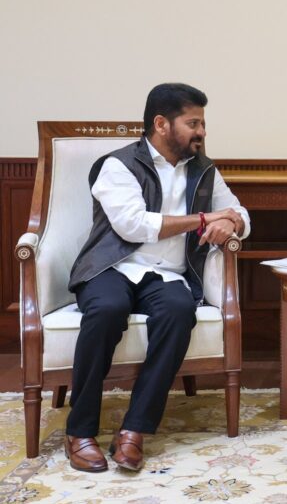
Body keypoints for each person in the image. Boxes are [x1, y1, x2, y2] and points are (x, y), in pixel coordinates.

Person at [63, 83, 250, 473]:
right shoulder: (117, 165)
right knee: (107, 310)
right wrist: (204, 219)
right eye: (193, 123)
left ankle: (134, 430)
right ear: (162, 124)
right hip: (110, 267)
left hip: (166, 275)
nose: (201, 132)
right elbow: (134, 225)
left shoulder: (203, 169)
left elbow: (239, 213)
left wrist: (231, 222)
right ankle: (79, 431)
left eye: (202, 123)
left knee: (179, 312)